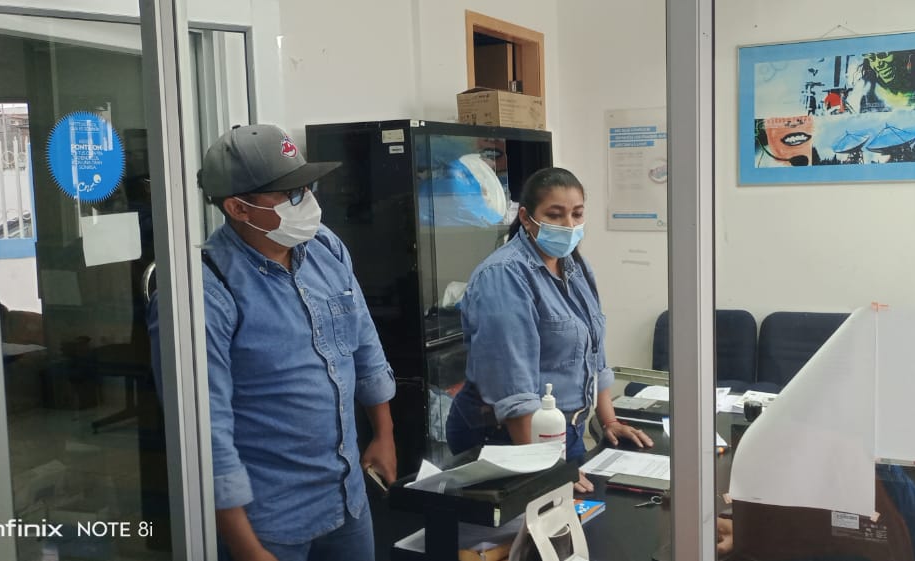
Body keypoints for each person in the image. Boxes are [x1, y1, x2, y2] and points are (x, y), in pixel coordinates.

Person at [197, 124, 398, 561]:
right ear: (238, 208)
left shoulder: (325, 247)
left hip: (346, 498)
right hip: (269, 518)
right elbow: (207, 429)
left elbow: (364, 344)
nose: (306, 201)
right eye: (289, 194)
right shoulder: (209, 289)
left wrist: (384, 433)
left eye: (307, 187)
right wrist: (246, 546)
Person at [445, 167, 653, 492]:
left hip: (562, 431)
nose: (569, 225)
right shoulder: (504, 276)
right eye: (555, 215)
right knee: (539, 520)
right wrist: (544, 471)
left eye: (577, 214)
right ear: (526, 218)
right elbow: (512, 388)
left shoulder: (575, 265)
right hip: (509, 437)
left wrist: (609, 420)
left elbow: (594, 352)